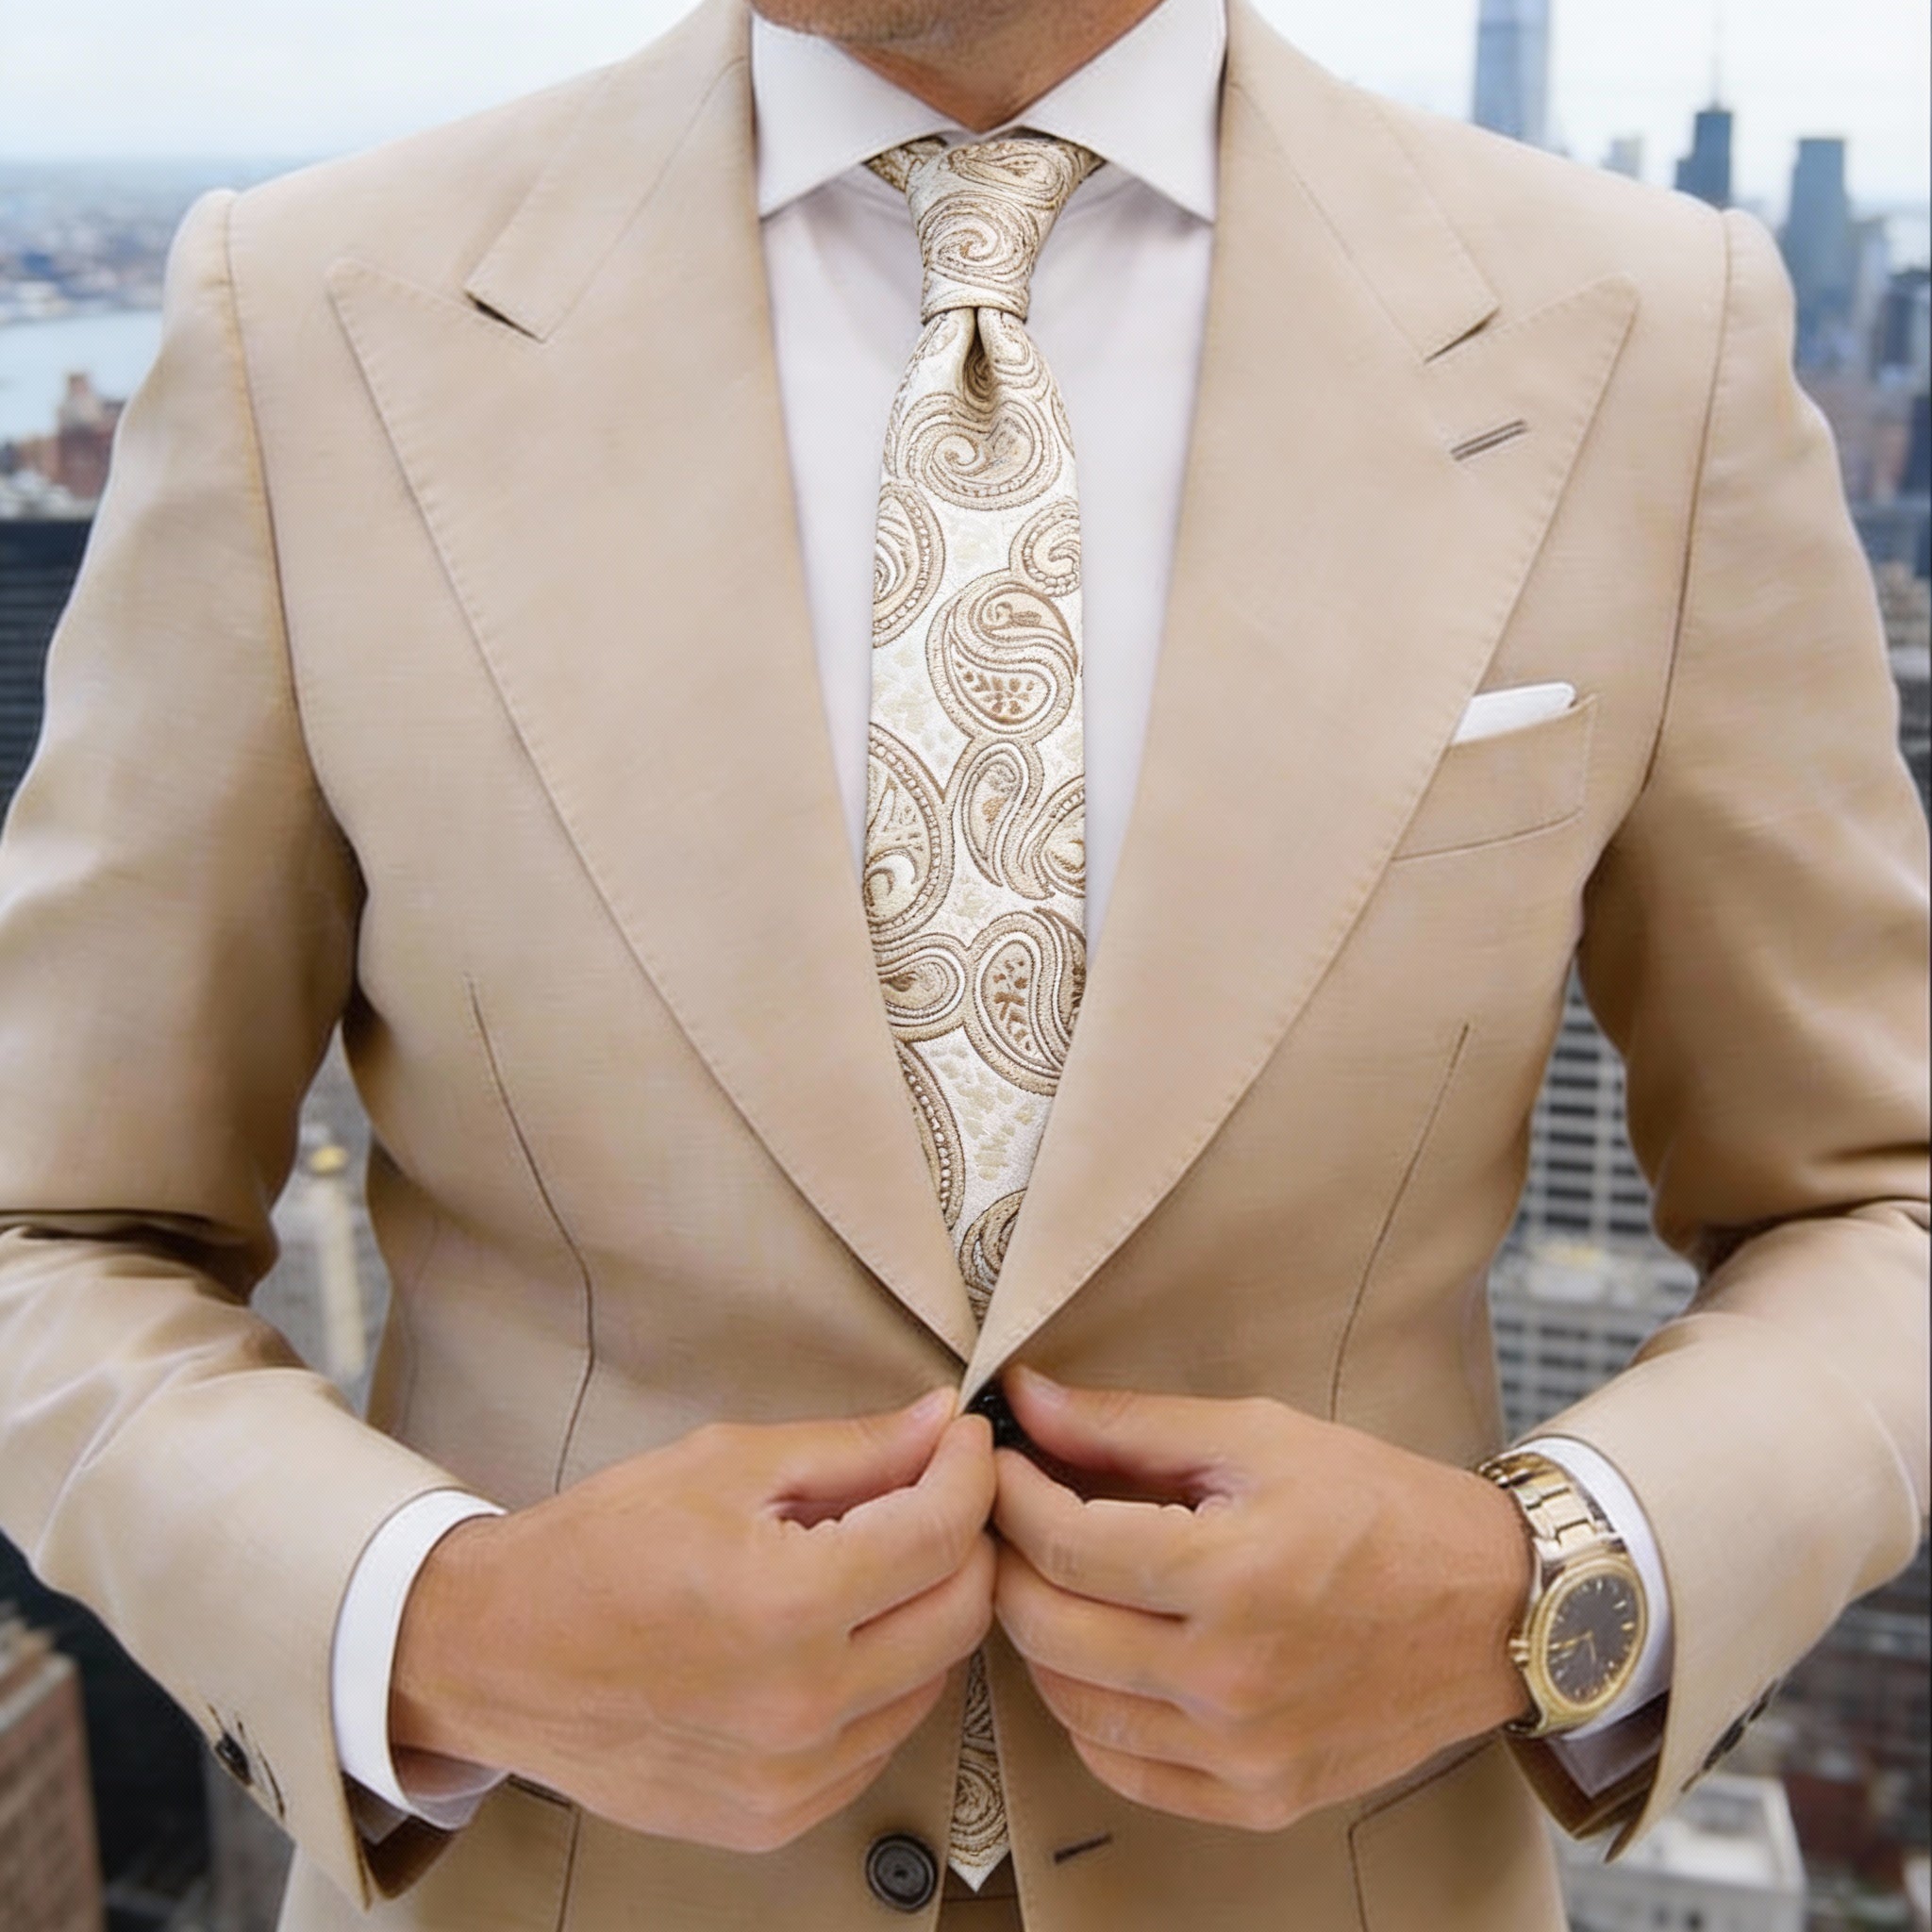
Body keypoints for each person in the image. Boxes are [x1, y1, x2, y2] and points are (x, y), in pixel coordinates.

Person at [0, 0, 1924, 1925]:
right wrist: (443, 1626)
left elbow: (1879, 1203)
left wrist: (1543, 1588)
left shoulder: (1645, 333)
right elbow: (50, 1234)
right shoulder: (306, 317)